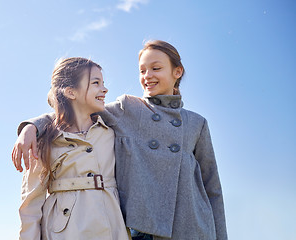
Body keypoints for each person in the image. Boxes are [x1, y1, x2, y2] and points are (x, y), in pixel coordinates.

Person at [13, 40, 228, 240]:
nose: (147, 75)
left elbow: (213, 189)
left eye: (156, 68)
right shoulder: (128, 109)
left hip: (193, 226)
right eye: (142, 70)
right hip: (143, 230)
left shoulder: (197, 123)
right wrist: (32, 127)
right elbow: (74, 110)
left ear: (177, 71)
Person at [18, 57, 130, 240]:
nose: (105, 89)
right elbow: (30, 205)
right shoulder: (44, 140)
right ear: (71, 92)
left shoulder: (112, 132)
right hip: (62, 232)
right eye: (96, 83)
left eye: (103, 83)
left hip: (112, 227)